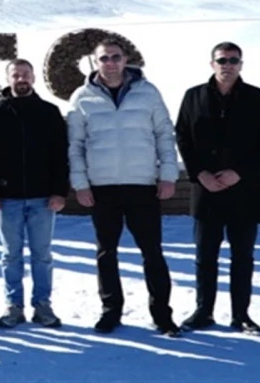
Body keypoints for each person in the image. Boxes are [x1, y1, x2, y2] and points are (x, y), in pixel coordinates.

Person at [68, 39, 181, 337]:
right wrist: (80, 183)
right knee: (107, 253)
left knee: (152, 253)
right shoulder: (82, 97)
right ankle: (111, 311)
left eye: (115, 57)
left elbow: (164, 135)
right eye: (103, 58)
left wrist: (168, 174)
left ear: (126, 58)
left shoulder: (148, 92)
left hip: (142, 185)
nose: (110, 62)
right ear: (95, 62)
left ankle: (162, 315)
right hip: (102, 188)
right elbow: (75, 145)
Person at [174, 42, 260, 335]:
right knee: (205, 255)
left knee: (242, 255)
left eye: (233, 60)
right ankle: (203, 311)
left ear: (241, 64)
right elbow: (182, 136)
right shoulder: (194, 96)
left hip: (244, 190)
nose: (227, 65)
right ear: (212, 64)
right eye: (222, 60)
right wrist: (199, 173)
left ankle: (241, 314)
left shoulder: (259, 98)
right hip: (206, 190)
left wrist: (240, 173)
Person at [0, 59, 70, 329]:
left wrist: (59, 191)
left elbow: (59, 156)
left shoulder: (49, 112)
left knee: (42, 254)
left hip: (43, 197)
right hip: (7, 198)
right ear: (8, 79)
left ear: (34, 78)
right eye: (16, 75)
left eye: (26, 75)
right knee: (11, 255)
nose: (21, 79)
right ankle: (14, 305)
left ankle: (42, 305)